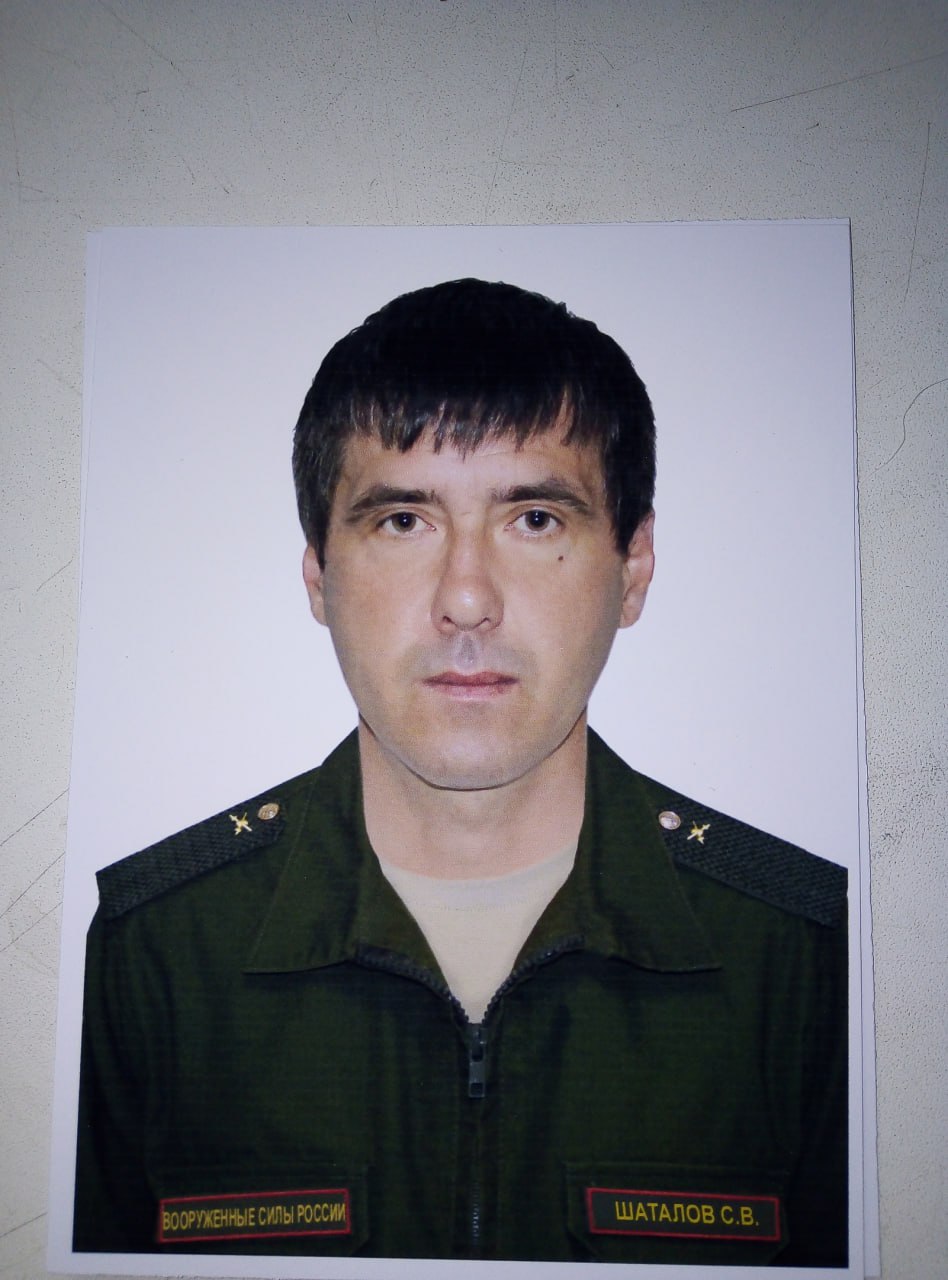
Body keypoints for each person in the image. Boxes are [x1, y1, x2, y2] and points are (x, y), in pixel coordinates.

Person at [73, 279, 848, 1266]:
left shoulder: (801, 960)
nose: (467, 599)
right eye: (403, 521)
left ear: (635, 565)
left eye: (535, 519)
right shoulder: (155, 956)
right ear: (318, 575)